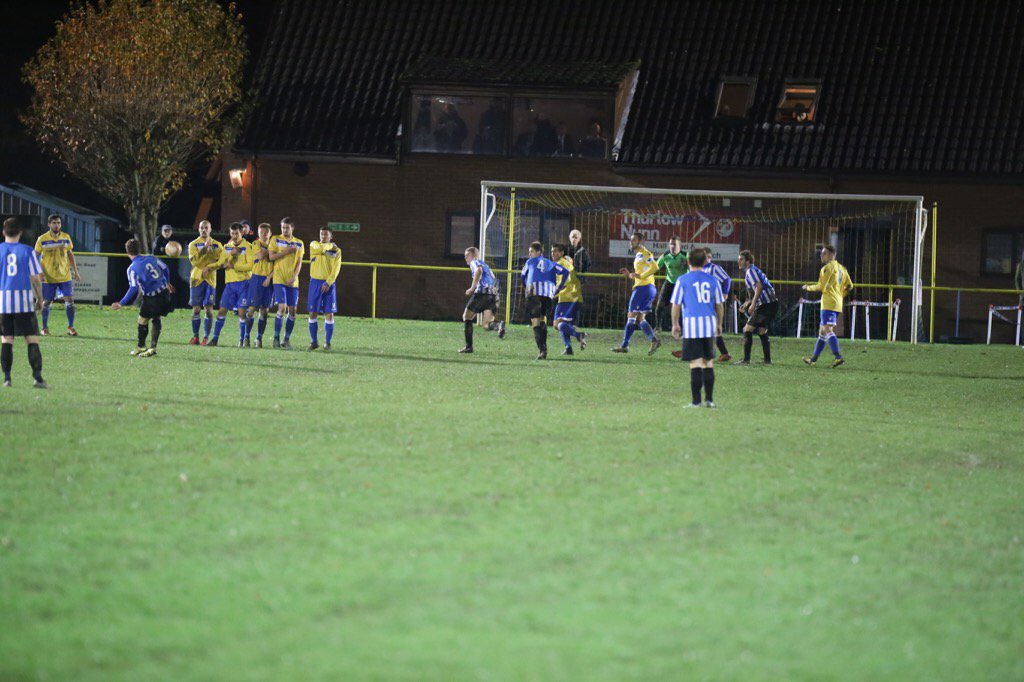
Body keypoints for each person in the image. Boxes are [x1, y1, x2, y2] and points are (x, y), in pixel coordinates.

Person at [671, 249, 725, 408]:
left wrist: (675, 324)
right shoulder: (712, 280)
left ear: (688, 262)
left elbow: (676, 304)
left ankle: (696, 402)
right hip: (709, 326)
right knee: (708, 363)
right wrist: (719, 324)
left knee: (695, 363)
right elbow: (720, 304)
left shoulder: (683, 280)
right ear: (704, 262)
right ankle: (709, 400)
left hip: (692, 327)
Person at [1, 218, 46, 388]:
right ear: (20, 233)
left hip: (4, 303)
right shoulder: (28, 251)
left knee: (7, 340)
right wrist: (40, 298)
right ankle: (38, 378)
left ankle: (7, 378)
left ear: (4, 232)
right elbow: (35, 278)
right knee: (32, 339)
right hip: (24, 302)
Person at [110, 238, 175, 357]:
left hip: (152, 297)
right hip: (164, 294)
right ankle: (152, 348)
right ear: (139, 249)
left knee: (142, 320)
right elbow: (165, 268)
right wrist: (167, 282)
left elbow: (134, 288)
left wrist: (121, 303)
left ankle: (141, 346)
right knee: (156, 318)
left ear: (127, 252)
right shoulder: (151, 257)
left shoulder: (132, 268)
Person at [672, 248, 732, 361]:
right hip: (699, 302)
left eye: (709, 257)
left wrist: (725, 292)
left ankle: (722, 352)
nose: (708, 259)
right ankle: (689, 349)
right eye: (706, 257)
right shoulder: (696, 271)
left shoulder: (714, 268)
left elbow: (727, 279)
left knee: (709, 326)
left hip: (711, 301)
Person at [802, 245, 853, 368]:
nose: (821, 255)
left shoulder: (827, 268)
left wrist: (807, 287)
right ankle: (813, 359)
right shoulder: (842, 268)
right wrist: (840, 295)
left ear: (831, 255)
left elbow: (820, 286)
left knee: (828, 330)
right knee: (822, 332)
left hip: (829, 303)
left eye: (824, 253)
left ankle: (838, 357)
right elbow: (850, 285)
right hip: (837, 303)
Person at [612, 232, 661, 354]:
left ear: (641, 242)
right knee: (639, 318)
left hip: (643, 288)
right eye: (631, 240)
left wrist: (640, 276)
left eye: (634, 240)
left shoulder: (645, 253)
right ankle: (653, 339)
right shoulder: (639, 255)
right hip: (646, 288)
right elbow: (640, 273)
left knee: (631, 316)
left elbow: (655, 267)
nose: (631, 242)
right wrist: (630, 275)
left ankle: (625, 345)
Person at [34, 213, 81, 336]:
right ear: (49, 224)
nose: (56, 225)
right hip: (48, 277)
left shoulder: (66, 237)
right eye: (54, 223)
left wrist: (75, 271)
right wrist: (39, 272)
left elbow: (70, 254)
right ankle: (44, 328)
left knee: (70, 300)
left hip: (64, 275)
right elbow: (35, 257)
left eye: (58, 223)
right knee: (47, 302)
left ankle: (71, 327)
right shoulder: (42, 239)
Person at [520, 241, 568, 360]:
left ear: (538, 252)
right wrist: (560, 286)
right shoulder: (551, 263)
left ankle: (542, 351)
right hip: (548, 293)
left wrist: (527, 287)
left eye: (531, 251)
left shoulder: (530, 262)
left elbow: (523, 275)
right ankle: (544, 348)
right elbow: (565, 272)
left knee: (535, 322)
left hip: (534, 291)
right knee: (542, 320)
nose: (530, 254)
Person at [207, 222, 252, 348]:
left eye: (236, 233)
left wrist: (234, 266)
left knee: (242, 313)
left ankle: (243, 340)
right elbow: (220, 263)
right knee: (222, 311)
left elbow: (250, 266)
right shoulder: (227, 247)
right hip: (230, 285)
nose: (234, 236)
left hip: (244, 284)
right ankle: (215, 339)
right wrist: (209, 267)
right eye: (232, 233)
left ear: (242, 233)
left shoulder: (248, 247)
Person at [736, 250, 778, 365]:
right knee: (761, 330)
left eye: (741, 259)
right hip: (771, 304)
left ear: (747, 261)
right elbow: (757, 290)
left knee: (747, 329)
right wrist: (748, 303)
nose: (738, 261)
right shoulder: (752, 271)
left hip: (766, 305)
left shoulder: (751, 271)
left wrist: (753, 304)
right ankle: (767, 360)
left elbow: (759, 287)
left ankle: (746, 360)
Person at [268, 217, 304, 349]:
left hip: (292, 282)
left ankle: (286, 339)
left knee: (293, 311)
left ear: (292, 228)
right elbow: (271, 257)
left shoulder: (299, 243)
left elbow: (299, 262)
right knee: (282, 308)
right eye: (283, 227)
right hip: (279, 280)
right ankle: (276, 338)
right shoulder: (275, 239)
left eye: (287, 228)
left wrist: (294, 277)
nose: (284, 230)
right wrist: (286, 251)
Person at [459, 247, 503, 353]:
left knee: (466, 316)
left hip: (483, 293)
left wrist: (472, 287)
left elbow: (479, 270)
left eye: (467, 255)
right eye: (465, 256)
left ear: (473, 255)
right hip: (494, 294)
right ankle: (498, 326)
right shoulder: (486, 265)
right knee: (487, 325)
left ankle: (469, 347)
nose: (465, 258)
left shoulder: (475, 262)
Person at [187, 220, 222, 345]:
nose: (204, 230)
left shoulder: (217, 245)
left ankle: (206, 337)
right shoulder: (193, 244)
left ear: (210, 229)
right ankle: (195, 337)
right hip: (196, 279)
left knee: (208, 310)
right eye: (202, 228)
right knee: (196, 309)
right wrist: (204, 250)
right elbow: (194, 262)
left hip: (210, 280)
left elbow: (221, 262)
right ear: (199, 229)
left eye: (206, 228)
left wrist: (210, 267)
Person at [307, 227, 342, 351]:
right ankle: (314, 341)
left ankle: (327, 343)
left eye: (326, 235)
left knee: (329, 313)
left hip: (329, 284)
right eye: (321, 234)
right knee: (312, 312)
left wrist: (328, 282)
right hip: (315, 283)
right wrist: (330, 245)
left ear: (331, 236)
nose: (323, 236)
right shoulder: (314, 245)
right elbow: (322, 248)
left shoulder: (337, 251)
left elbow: (336, 268)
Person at [551, 243, 587, 355]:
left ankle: (578, 335)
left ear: (562, 253)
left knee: (558, 324)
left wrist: (554, 293)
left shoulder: (563, 263)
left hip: (570, 297)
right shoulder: (560, 263)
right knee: (561, 324)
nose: (553, 254)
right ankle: (568, 348)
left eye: (556, 251)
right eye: (552, 251)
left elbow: (566, 280)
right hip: (567, 297)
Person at [245, 222, 275, 348]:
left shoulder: (275, 246)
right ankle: (246, 336)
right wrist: (272, 251)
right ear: (258, 233)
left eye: (266, 232)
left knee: (264, 311)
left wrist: (269, 277)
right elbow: (261, 255)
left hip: (269, 279)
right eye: (261, 232)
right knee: (252, 309)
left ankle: (259, 338)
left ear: (270, 233)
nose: (263, 235)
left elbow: (277, 265)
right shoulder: (256, 244)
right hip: (257, 278)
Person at [655, 236, 688, 331]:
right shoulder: (665, 256)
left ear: (680, 246)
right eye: (671, 244)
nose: (672, 246)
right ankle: (658, 327)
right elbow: (655, 267)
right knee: (659, 306)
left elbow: (691, 270)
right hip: (669, 282)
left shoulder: (686, 256)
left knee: (684, 308)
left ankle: (684, 329)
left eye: (674, 244)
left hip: (682, 284)